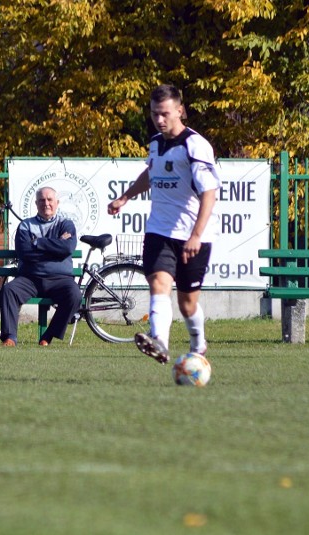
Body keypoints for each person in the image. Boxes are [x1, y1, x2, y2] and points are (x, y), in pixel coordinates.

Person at [107, 83, 220, 364]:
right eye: (155, 113)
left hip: (193, 236)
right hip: (159, 229)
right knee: (159, 283)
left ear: (180, 110)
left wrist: (196, 234)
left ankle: (198, 343)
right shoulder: (156, 143)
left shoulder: (195, 145)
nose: (160, 119)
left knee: (187, 303)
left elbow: (209, 193)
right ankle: (159, 340)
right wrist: (125, 197)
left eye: (165, 113)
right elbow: (150, 172)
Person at [0, 187, 80, 347]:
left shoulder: (66, 224)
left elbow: (67, 248)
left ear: (57, 203)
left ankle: (48, 336)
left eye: (50, 200)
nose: (46, 203)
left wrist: (38, 242)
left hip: (60, 280)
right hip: (30, 279)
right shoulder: (25, 226)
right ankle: (10, 337)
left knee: (75, 295)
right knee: (8, 291)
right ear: (36, 203)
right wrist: (56, 248)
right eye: (42, 200)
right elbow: (25, 254)